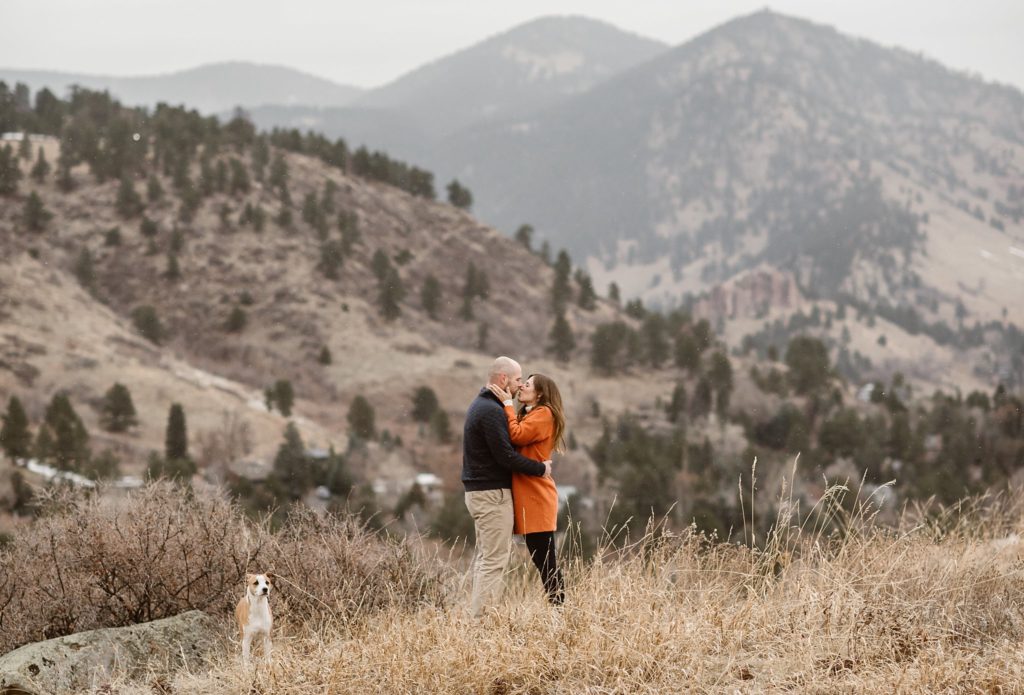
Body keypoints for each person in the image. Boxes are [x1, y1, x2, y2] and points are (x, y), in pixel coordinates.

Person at [462, 356, 552, 618]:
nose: (519, 384)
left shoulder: (482, 405)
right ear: (503, 380)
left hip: (481, 492)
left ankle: (479, 618)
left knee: (486, 558)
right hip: (491, 495)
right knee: (494, 561)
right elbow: (506, 456)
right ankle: (482, 623)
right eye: (516, 380)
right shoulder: (491, 411)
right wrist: (541, 469)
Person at [487, 372, 566, 605]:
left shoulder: (544, 414)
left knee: (546, 560)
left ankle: (559, 608)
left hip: (537, 495)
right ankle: (557, 607)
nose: (521, 387)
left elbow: (517, 436)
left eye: (527, 384)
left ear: (539, 393)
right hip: (528, 492)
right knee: (540, 557)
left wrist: (507, 404)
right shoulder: (529, 413)